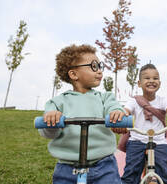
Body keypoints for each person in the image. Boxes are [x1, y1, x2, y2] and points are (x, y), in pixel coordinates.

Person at [38, 44, 127, 184]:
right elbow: (48, 133)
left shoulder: (105, 97)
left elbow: (114, 108)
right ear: (74, 74)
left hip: (104, 165)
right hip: (67, 167)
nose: (99, 71)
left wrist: (117, 113)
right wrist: (51, 120)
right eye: (93, 66)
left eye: (100, 66)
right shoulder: (56, 103)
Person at [118, 63, 167, 184]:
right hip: (137, 140)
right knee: (130, 175)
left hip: (158, 140)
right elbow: (126, 111)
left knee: (166, 174)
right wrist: (120, 119)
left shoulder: (162, 101)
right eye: (147, 78)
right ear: (139, 83)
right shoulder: (133, 101)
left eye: (155, 78)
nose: (151, 81)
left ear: (160, 83)